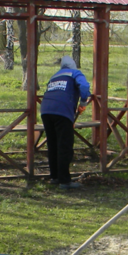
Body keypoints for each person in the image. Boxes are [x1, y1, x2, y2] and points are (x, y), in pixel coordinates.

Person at [40, 55, 90, 188]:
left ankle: (55, 177)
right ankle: (65, 181)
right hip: (62, 111)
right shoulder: (75, 73)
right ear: (73, 65)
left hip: (45, 110)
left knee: (53, 145)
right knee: (65, 146)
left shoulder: (55, 76)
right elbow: (84, 86)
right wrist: (83, 101)